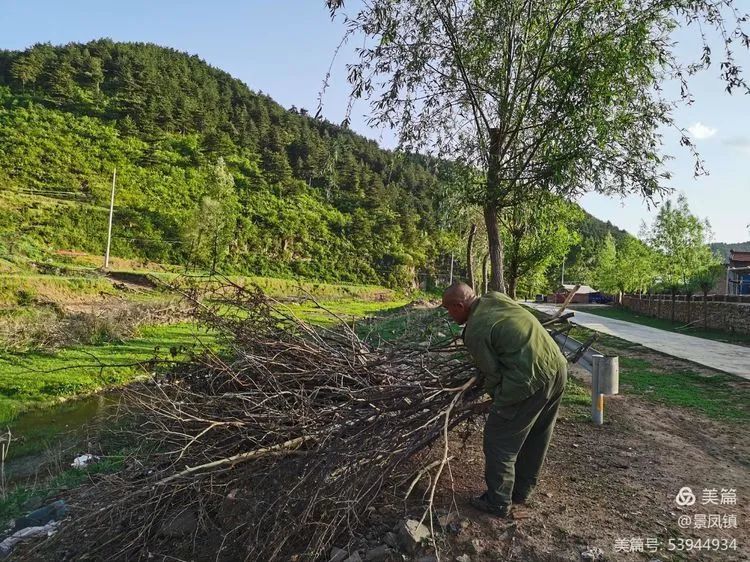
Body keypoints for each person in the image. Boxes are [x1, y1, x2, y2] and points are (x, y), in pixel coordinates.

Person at [441, 282, 567, 517]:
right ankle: (521, 490)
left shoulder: (475, 331)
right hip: (557, 368)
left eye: (449, 309)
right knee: (537, 434)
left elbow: (493, 374)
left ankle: (497, 501)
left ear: (459, 305)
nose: (449, 315)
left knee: (498, 439)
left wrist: (498, 400)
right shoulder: (495, 297)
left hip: (528, 380)